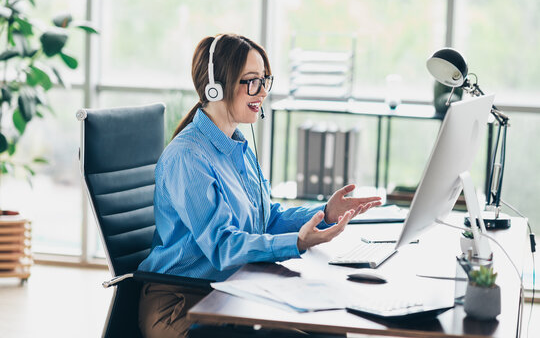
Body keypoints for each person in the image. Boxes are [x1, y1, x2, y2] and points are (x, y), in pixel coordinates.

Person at [137, 33, 382, 338]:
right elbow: (223, 246)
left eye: (266, 80)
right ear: (216, 87)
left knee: (327, 330)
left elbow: (267, 220)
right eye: (252, 81)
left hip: (230, 291)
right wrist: (297, 242)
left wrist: (325, 213)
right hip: (182, 306)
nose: (263, 91)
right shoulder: (188, 157)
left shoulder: (238, 146)